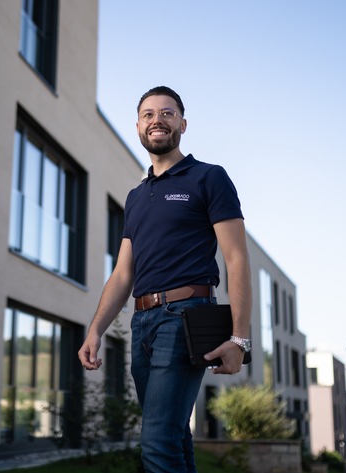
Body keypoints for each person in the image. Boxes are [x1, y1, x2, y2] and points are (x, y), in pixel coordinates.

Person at [77, 86, 253, 473]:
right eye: (148, 114)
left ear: (183, 124)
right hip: (143, 323)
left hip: (185, 318)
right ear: (139, 126)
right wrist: (96, 330)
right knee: (173, 437)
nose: (158, 120)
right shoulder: (136, 196)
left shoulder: (208, 177)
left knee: (156, 443)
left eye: (168, 113)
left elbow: (236, 258)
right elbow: (124, 272)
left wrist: (239, 339)